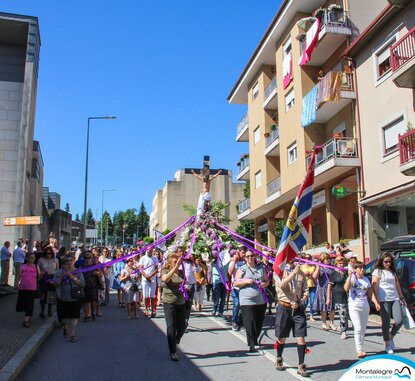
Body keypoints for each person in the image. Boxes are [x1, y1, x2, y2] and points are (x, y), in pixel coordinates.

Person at [274, 259, 310, 377]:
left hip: (298, 308)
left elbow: (306, 291)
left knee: (301, 338)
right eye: (290, 257)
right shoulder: (279, 272)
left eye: (294, 258)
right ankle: (279, 357)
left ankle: (301, 365)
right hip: (284, 307)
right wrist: (293, 273)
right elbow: (282, 285)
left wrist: (300, 301)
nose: (293, 260)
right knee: (282, 337)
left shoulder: (301, 273)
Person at [234, 251, 269, 352]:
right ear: (245, 258)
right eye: (247, 256)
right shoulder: (242, 269)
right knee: (249, 322)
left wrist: (264, 284)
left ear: (255, 257)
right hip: (247, 300)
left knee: (258, 322)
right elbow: (236, 283)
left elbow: (267, 280)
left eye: (251, 256)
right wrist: (246, 281)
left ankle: (255, 339)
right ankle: (252, 343)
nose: (250, 257)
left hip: (260, 299)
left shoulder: (261, 268)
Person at [371, 252, 405, 354]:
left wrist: (402, 298)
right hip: (383, 299)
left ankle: (390, 337)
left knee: (399, 321)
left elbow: (397, 286)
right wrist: (376, 301)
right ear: (382, 261)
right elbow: (374, 286)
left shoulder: (392, 271)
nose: (388, 263)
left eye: (390, 261)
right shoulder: (378, 271)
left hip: (394, 298)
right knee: (386, 323)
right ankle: (387, 344)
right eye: (386, 261)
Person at [344, 261, 377, 358]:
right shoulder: (352, 278)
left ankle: (361, 348)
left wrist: (375, 303)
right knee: (358, 327)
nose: (362, 270)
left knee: (363, 328)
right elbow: (346, 288)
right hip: (354, 305)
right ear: (355, 269)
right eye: (360, 268)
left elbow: (370, 293)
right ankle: (359, 350)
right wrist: (349, 276)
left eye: (363, 268)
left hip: (364, 305)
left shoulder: (366, 279)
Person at [161, 252, 186, 361]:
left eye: (178, 261)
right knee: (171, 326)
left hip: (180, 301)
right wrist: (174, 268)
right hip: (169, 301)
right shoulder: (165, 270)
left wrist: (186, 286)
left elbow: (184, 282)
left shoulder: (181, 272)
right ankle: (173, 351)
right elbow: (165, 279)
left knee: (182, 326)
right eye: (175, 261)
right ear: (170, 262)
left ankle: (176, 339)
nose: (178, 263)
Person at [55, 256, 85, 342]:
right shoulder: (60, 272)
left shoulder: (78, 271)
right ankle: (65, 326)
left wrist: (72, 277)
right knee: (64, 316)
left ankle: (73, 334)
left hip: (75, 297)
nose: (69, 262)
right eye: (67, 261)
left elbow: (82, 284)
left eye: (71, 260)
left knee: (74, 316)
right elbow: (56, 283)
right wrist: (61, 276)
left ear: (74, 261)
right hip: (63, 297)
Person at [326, 257, 349, 339]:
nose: (341, 265)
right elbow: (329, 286)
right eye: (339, 263)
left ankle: (343, 326)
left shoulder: (347, 272)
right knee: (342, 313)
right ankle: (343, 331)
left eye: (342, 263)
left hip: (347, 295)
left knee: (346, 314)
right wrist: (328, 298)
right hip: (338, 296)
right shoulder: (333, 273)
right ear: (336, 264)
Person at [15, 252, 39, 327]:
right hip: (23, 287)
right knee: (24, 304)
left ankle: (26, 320)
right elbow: (18, 275)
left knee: (30, 304)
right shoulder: (23, 266)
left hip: (32, 288)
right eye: (30, 258)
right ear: (27, 258)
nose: (32, 259)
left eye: (33, 257)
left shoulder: (36, 266)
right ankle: (29, 316)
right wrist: (16, 283)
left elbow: (39, 276)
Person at [312, 252, 335, 330]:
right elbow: (314, 277)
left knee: (332, 306)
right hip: (322, 289)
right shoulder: (320, 267)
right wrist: (318, 267)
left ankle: (332, 323)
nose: (328, 260)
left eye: (328, 259)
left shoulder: (332, 267)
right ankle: (324, 323)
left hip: (331, 288)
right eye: (326, 259)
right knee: (323, 307)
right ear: (322, 260)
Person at [228, 245, 246, 331]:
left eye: (245, 253)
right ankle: (234, 321)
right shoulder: (233, 261)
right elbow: (230, 273)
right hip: (235, 287)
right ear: (238, 252)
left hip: (244, 287)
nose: (244, 254)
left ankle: (241, 322)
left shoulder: (246, 261)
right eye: (243, 253)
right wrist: (234, 261)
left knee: (243, 305)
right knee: (237, 303)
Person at [37, 246, 59, 318]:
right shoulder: (41, 260)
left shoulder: (55, 260)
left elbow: (57, 270)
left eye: (49, 253)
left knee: (51, 294)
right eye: (46, 253)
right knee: (43, 294)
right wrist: (41, 273)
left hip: (52, 278)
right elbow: (38, 269)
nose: (48, 255)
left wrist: (56, 278)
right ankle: (42, 311)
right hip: (44, 278)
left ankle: (49, 309)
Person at [138, 249, 159, 317]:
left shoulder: (155, 258)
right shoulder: (143, 258)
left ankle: (153, 309)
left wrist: (150, 276)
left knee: (152, 295)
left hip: (152, 279)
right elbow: (140, 269)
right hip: (145, 279)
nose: (149, 252)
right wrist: (146, 276)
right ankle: (146, 309)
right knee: (145, 295)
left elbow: (156, 269)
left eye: (150, 251)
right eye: (147, 251)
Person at [300, 253, 316, 321]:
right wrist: (305, 273)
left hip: (312, 285)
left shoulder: (313, 266)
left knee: (312, 301)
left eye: (309, 258)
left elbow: (313, 274)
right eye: (306, 258)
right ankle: (302, 313)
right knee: (305, 301)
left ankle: (311, 315)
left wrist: (307, 273)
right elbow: (301, 274)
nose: (307, 259)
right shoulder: (301, 266)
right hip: (304, 286)